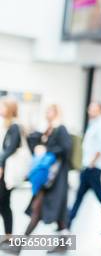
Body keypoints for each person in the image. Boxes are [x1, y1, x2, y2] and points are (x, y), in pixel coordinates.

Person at [11, 104, 72, 255]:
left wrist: (47, 150)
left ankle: (19, 246)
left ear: (56, 112)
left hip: (55, 179)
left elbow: (66, 149)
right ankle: (63, 243)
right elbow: (35, 145)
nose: (47, 113)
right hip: (46, 179)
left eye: (49, 111)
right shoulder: (48, 130)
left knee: (39, 212)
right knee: (56, 216)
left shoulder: (61, 129)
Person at [68, 102, 101, 234]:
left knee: (97, 196)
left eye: (93, 109)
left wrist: (92, 163)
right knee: (80, 196)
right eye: (89, 108)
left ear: (100, 110)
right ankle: (68, 222)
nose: (89, 110)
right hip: (88, 167)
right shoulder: (94, 124)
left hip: (93, 168)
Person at [0, 99, 22, 245]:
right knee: (4, 204)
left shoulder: (14, 127)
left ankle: (9, 237)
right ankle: (8, 236)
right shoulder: (7, 125)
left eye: (2, 106)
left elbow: (10, 148)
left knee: (4, 203)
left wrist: (0, 164)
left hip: (7, 173)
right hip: (5, 170)